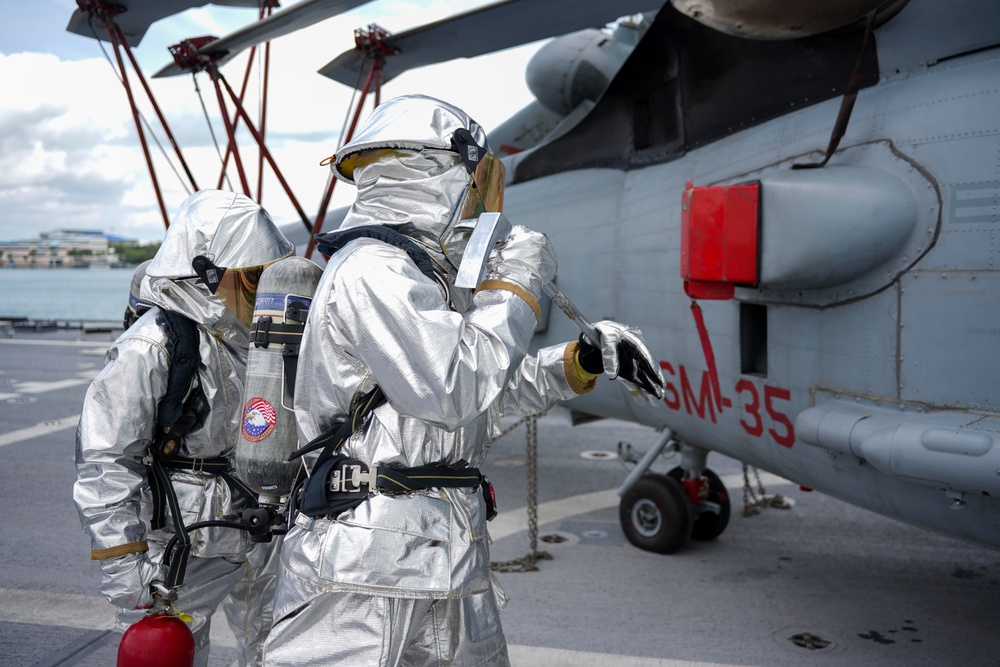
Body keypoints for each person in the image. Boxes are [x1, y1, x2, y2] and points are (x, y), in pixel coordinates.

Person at [260, 95, 664, 666]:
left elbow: (476, 414)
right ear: (443, 174)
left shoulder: (427, 281)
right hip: (366, 574)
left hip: (446, 557)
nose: (489, 196)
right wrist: (518, 280)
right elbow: (456, 391)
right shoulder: (374, 269)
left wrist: (577, 363)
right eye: (482, 176)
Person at [73, 189, 295, 667]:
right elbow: (105, 459)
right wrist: (123, 564)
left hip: (269, 527)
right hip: (185, 538)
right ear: (209, 274)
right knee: (170, 655)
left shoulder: (269, 337)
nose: (266, 289)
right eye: (255, 276)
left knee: (282, 649)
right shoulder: (153, 346)